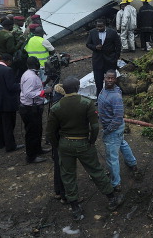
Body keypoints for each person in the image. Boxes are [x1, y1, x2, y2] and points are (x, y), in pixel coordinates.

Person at [46, 76, 124, 220]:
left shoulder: (56, 107)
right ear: (77, 88)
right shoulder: (87, 103)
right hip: (83, 143)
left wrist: (58, 145)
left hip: (65, 144)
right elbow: (94, 127)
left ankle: (75, 208)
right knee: (95, 171)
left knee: (68, 176)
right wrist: (91, 141)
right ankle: (112, 198)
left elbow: (50, 132)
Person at [98, 70, 138, 191]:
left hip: (113, 128)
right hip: (115, 129)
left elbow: (118, 118)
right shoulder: (104, 89)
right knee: (122, 143)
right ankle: (132, 163)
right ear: (104, 77)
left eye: (112, 78)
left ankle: (116, 183)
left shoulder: (115, 96)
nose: (110, 80)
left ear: (115, 80)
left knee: (112, 157)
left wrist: (108, 131)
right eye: (108, 78)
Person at [0, 54, 22, 151]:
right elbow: (11, 87)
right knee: (8, 125)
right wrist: (21, 85)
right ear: (8, 61)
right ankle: (10, 146)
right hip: (6, 103)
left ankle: (0, 143)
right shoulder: (8, 70)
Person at [19, 56, 50, 164]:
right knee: (32, 132)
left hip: (33, 107)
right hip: (30, 109)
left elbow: (34, 87)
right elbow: (28, 93)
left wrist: (43, 84)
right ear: (36, 64)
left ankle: (38, 150)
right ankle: (31, 157)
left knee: (37, 130)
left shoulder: (30, 74)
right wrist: (43, 92)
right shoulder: (30, 77)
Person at [86, 19, 121, 97]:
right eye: (97, 26)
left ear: (105, 25)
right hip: (97, 60)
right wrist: (95, 47)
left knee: (111, 80)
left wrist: (116, 57)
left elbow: (118, 45)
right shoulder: (92, 32)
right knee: (98, 81)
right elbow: (88, 44)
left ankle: (112, 95)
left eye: (101, 26)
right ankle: (100, 97)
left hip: (110, 60)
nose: (99, 28)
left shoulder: (112, 32)